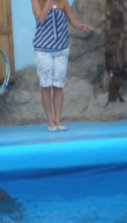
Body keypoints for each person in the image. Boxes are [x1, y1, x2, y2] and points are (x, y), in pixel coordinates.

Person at [32, 0, 89, 132]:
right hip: (43, 50)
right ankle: (50, 121)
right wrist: (48, 3)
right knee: (46, 85)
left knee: (58, 85)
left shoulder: (63, 2)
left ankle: (58, 120)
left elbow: (71, 19)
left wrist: (79, 26)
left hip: (61, 50)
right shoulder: (36, 1)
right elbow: (40, 19)